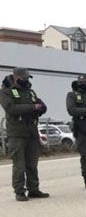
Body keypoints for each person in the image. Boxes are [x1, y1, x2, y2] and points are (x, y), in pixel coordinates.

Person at [0, 68, 50, 201]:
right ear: (16, 77)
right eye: (24, 77)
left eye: (28, 77)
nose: (27, 80)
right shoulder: (6, 91)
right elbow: (11, 108)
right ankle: (19, 191)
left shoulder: (30, 91)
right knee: (19, 164)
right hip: (17, 133)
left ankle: (34, 189)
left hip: (31, 132)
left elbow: (41, 104)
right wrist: (32, 107)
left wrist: (39, 108)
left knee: (32, 164)